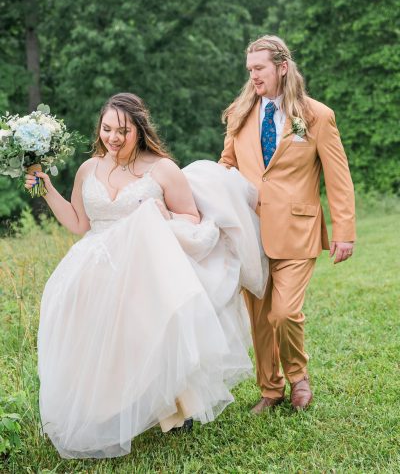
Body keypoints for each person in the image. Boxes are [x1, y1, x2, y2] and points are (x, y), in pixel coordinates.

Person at [26, 93, 267, 459]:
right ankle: (105, 409)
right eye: (107, 129)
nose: (113, 138)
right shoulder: (88, 169)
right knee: (91, 336)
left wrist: (162, 215)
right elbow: (78, 222)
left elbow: (191, 219)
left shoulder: (162, 169)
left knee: (145, 334)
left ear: (139, 129)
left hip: (144, 265)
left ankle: (172, 407)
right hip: (94, 263)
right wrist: (45, 186)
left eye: (122, 130)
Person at [219, 35, 356, 412]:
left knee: (283, 312)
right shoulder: (239, 114)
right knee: (260, 317)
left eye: (259, 69)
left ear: (282, 67)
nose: (253, 77)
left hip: (298, 230)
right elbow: (226, 166)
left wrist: (344, 233)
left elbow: (338, 178)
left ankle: (299, 378)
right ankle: (270, 389)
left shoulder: (316, 116)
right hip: (249, 231)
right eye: (249, 70)